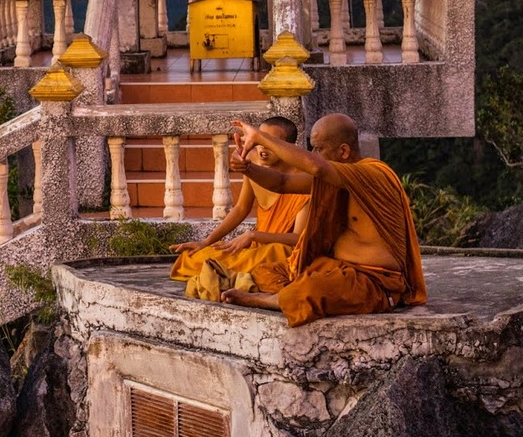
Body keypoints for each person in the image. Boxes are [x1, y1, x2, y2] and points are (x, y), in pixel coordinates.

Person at [218, 114, 426, 326]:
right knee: (269, 272)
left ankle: (273, 300)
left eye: (318, 148)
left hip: (374, 281)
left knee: (311, 289)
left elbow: (316, 167)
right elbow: (282, 182)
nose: (313, 154)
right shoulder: (335, 178)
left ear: (343, 151)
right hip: (336, 267)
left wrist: (261, 137)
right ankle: (289, 293)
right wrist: (248, 168)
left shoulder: (372, 174)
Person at [169, 116, 308, 285]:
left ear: (287, 147)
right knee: (193, 258)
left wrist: (253, 235)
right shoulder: (252, 164)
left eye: (270, 143)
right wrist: (206, 242)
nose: (263, 149)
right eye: (260, 141)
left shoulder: (303, 180)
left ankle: (230, 272)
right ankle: (230, 271)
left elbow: (297, 238)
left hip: (279, 249)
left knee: (277, 253)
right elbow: (242, 208)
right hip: (256, 247)